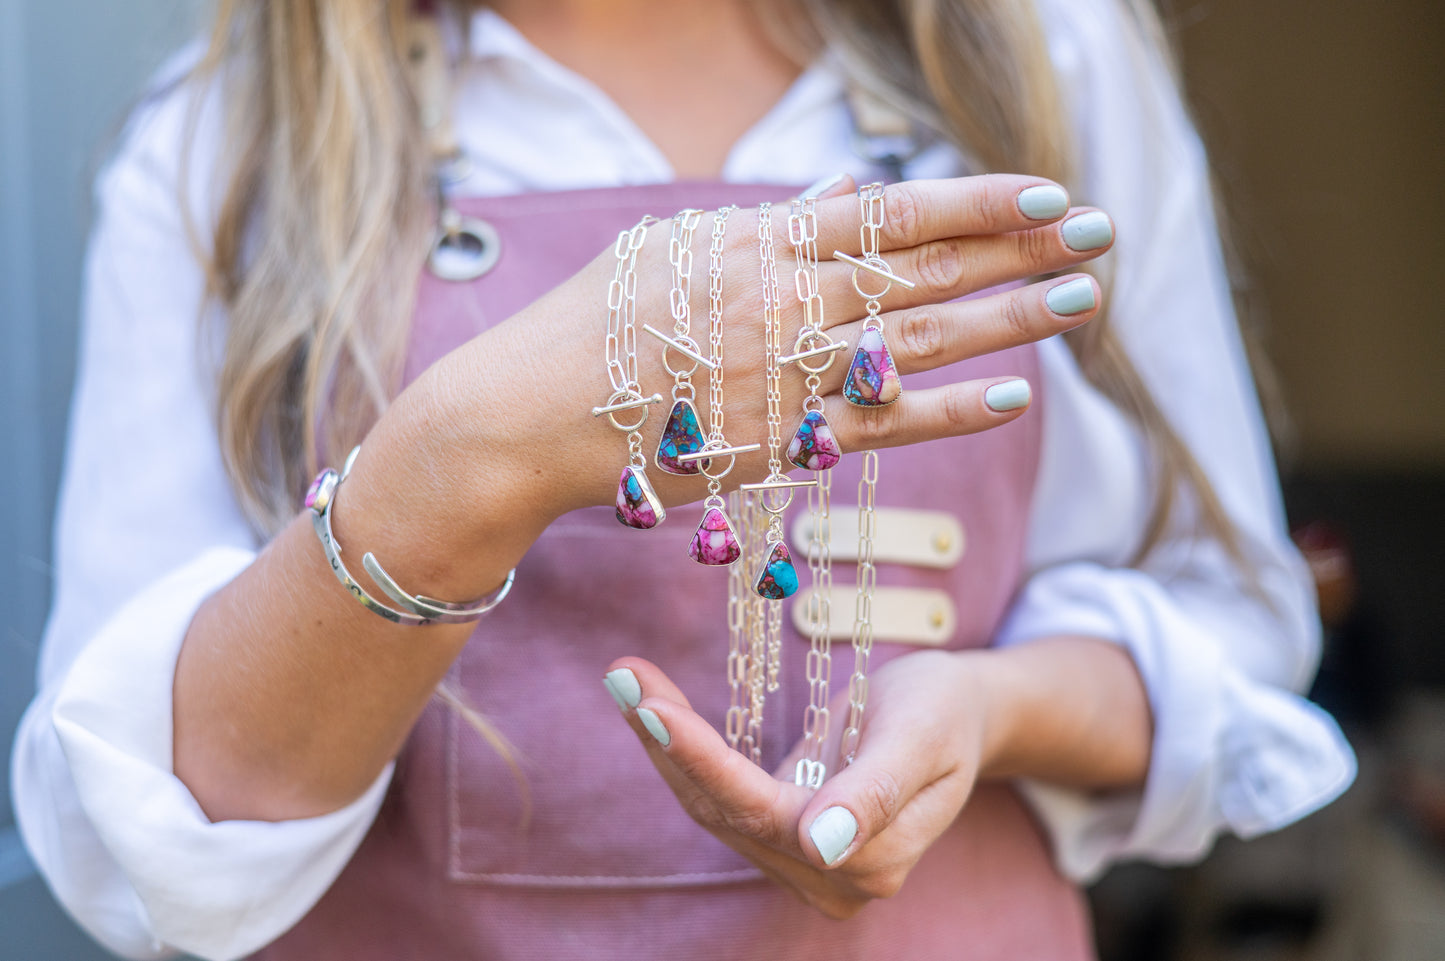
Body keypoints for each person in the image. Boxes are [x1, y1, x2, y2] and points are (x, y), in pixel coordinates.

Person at [11, 0, 1356, 958]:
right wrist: (456, 460)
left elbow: (1227, 622)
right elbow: (143, 835)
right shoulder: (230, 135)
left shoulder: (1041, 53)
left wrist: (988, 705)